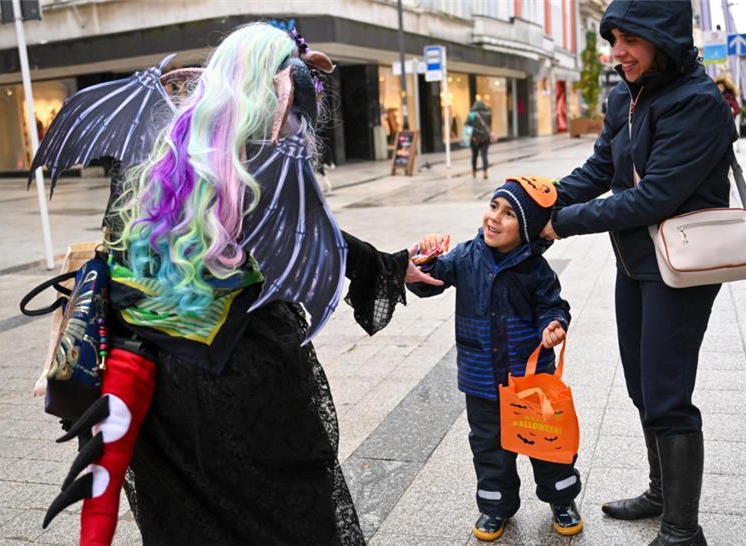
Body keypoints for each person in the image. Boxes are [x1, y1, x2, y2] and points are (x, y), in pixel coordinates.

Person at [34, 23, 442, 545]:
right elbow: (303, 231)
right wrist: (386, 266)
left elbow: (129, 251)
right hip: (242, 375)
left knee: (187, 523)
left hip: (153, 388)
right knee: (284, 516)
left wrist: (388, 265)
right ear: (274, 86)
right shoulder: (266, 153)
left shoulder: (162, 144)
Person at [540, 2, 736, 545]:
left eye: (630, 40)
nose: (617, 52)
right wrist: (539, 200)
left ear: (663, 39)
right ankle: (659, 492)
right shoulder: (625, 94)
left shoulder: (697, 103)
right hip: (635, 262)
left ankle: (681, 530)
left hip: (681, 266)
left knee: (668, 392)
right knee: (640, 385)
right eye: (613, 39)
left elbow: (653, 197)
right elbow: (602, 168)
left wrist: (562, 224)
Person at [408, 177, 582, 541]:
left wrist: (553, 324)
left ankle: (562, 499)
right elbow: (427, 281)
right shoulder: (467, 256)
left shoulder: (536, 270)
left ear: (529, 230)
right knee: (490, 449)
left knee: (548, 444)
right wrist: (424, 254)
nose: (494, 218)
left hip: (530, 380)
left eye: (508, 215)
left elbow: (552, 305)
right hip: (481, 381)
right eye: (493, 207)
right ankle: (494, 506)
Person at [467, 100, 492, 179]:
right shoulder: (488, 114)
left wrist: (470, 136)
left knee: (474, 155)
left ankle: (474, 172)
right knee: (484, 155)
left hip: (474, 139)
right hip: (485, 138)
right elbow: (489, 125)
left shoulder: (471, 115)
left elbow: (468, 126)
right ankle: (485, 173)